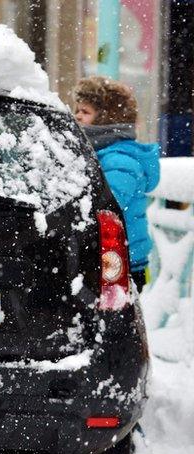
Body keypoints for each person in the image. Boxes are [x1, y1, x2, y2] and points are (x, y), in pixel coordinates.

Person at [73, 76, 160, 292]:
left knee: (114, 322)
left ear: (106, 119)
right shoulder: (104, 154)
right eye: (78, 110)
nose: (77, 116)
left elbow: (107, 205)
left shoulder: (119, 160)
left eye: (85, 111)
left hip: (122, 262)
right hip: (116, 258)